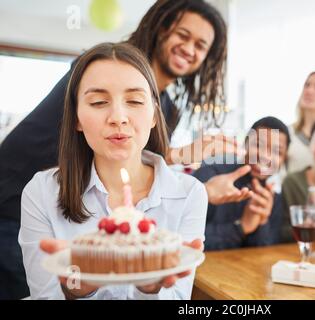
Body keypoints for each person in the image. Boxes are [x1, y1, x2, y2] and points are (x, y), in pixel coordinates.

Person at [0, 0, 248, 299]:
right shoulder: (92, 72)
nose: (118, 116)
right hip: (16, 202)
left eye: (200, 44)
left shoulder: (168, 108)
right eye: (183, 35)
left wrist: (200, 189)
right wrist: (74, 289)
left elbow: (130, 155)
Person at [18, 43, 207, 299]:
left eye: (135, 101)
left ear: (153, 114)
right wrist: (77, 289)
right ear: (76, 118)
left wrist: (149, 289)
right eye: (98, 102)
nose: (118, 117)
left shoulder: (190, 193)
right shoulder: (42, 191)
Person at [193, 117, 290, 250]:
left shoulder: (273, 197)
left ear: (283, 160)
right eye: (258, 145)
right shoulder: (210, 176)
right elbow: (186, 239)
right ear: (245, 143)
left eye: (277, 152)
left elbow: (265, 253)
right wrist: (241, 227)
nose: (265, 156)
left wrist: (262, 222)